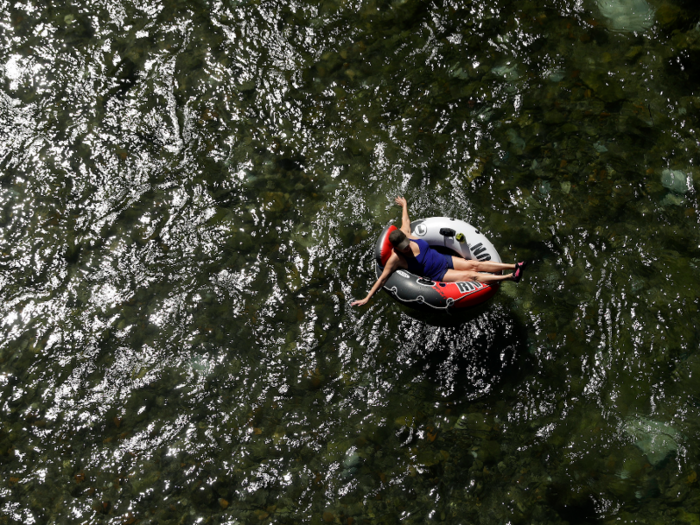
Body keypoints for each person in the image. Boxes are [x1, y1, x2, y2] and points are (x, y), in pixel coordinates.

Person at [351, 196, 526, 307]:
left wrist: (404, 204)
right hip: (439, 273)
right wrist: (367, 297)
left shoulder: (406, 234)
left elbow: (406, 219)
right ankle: (510, 277)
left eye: (407, 244)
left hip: (444, 259)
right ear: (396, 248)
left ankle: (514, 265)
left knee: (474, 264)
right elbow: (382, 279)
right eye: (403, 247)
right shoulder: (395, 259)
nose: (407, 247)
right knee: (471, 276)